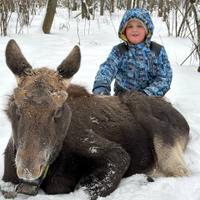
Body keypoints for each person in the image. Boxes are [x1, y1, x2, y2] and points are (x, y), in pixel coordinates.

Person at [92, 8, 172, 96]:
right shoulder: (119, 51)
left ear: (147, 29)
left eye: (139, 26)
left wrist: (147, 93)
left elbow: (164, 78)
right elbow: (107, 68)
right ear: (124, 30)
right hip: (123, 98)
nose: (134, 30)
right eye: (130, 26)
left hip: (150, 98)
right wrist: (101, 86)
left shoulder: (157, 50)